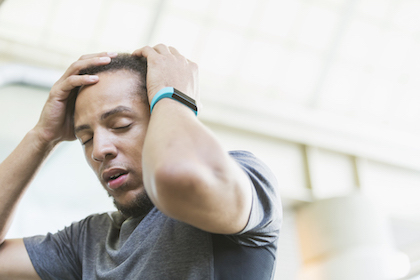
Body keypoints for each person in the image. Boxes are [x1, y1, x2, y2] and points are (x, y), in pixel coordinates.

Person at [0, 44, 282, 280]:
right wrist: (41, 137)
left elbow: (179, 176)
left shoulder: (245, 177)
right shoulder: (88, 242)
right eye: (85, 139)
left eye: (121, 125)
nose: (99, 149)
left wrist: (173, 96)